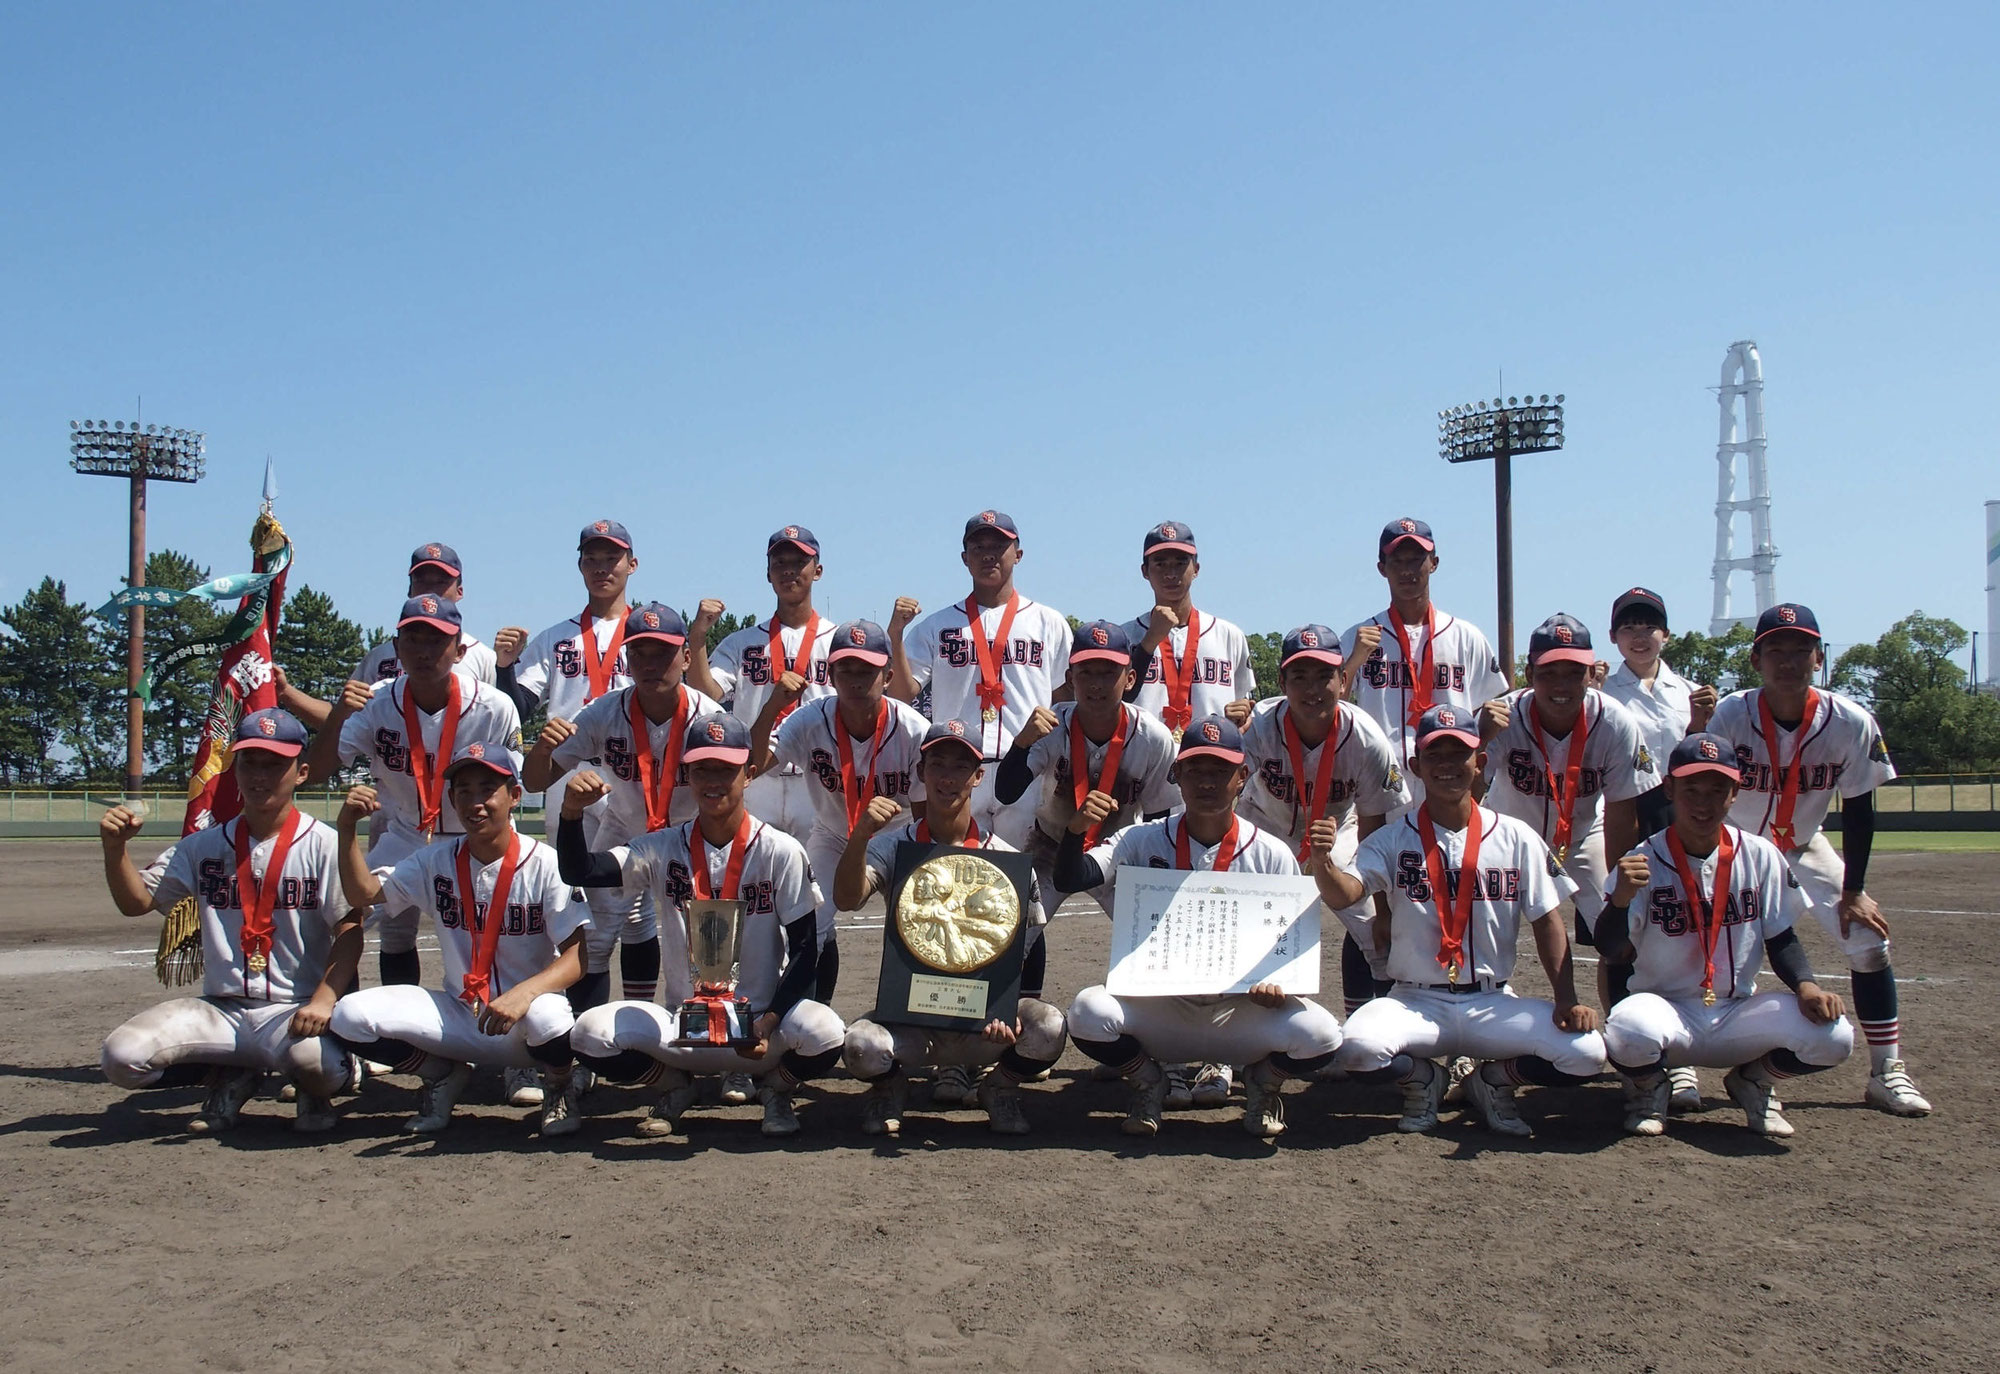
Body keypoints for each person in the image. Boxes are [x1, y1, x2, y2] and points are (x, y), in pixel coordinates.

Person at [1317, 705, 1606, 1139]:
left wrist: (1566, 998)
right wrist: (1322, 862)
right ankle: (1424, 1080)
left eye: (1460, 755)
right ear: (1416, 766)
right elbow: (1346, 893)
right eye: (1435, 756)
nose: (1447, 766)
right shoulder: (1392, 838)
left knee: (1586, 1053)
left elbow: (1548, 921)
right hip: (1415, 1000)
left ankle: (1492, 1081)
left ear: (1481, 761)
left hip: (1493, 1001)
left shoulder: (1516, 836)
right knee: (1358, 1048)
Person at [1055, 715, 1344, 1140]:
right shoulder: (1141, 839)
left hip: (1239, 1014)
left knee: (1322, 1035)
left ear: (1243, 777)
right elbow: (1071, 878)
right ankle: (1148, 1081)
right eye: (1195, 770)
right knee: (1087, 1012)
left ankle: (1263, 1082)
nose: (1207, 782)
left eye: (1220, 771)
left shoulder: (1271, 853)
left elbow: (1288, 948)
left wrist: (1278, 986)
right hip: (1162, 1011)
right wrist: (1073, 832)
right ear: (1176, 775)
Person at [559, 714, 845, 1141]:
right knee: (588, 1034)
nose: (714, 780)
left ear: (749, 774)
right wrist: (569, 814)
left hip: (759, 1028)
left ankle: (776, 1089)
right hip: (684, 1025)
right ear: (685, 774)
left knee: (827, 1033)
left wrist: (766, 1025)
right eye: (702, 769)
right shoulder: (661, 846)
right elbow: (580, 869)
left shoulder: (781, 851)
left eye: (726, 769)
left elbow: (807, 949)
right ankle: (673, 1086)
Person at [1705, 603, 1930, 1116]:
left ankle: (1886, 1071)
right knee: (1703, 954)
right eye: (1776, 650)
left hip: (1804, 845)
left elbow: (1860, 809)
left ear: (1818, 658)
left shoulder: (1850, 720)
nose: (1788, 661)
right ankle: (1680, 1068)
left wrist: (1854, 890)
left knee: (1869, 940)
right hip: (1734, 848)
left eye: (1800, 650)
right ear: (1757, 658)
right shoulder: (1733, 714)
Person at [96, 708, 360, 1134]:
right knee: (121, 1058)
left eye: (275, 764)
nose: (260, 775)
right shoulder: (202, 846)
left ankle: (317, 1084)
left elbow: (349, 930)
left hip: (292, 1010)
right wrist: (115, 851)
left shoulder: (325, 845)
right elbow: (138, 902)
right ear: (233, 768)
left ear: (302, 772)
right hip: (222, 1009)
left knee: (321, 1068)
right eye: (249, 762)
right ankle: (231, 1073)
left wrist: (324, 1001)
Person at [1596, 733, 1855, 1137]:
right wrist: (1620, 902)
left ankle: (1752, 1080)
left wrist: (1807, 987)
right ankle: (1650, 1088)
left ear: (1735, 792)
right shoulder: (1642, 860)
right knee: (1627, 1029)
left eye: (1717, 790)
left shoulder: (1759, 854)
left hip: (1737, 1011)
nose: (1703, 802)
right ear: (1669, 789)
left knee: (1834, 1035)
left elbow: (1780, 937)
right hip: (1666, 1012)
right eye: (1691, 790)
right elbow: (1611, 951)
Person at [329, 744, 587, 1137]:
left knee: (550, 1017)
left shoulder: (545, 863)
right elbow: (364, 895)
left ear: (514, 796)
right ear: (450, 799)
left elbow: (576, 957)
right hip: (458, 1013)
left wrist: (524, 994)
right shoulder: (435, 859)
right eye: (463, 791)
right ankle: (440, 1075)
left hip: (524, 1023)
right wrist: (347, 829)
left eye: (487, 789)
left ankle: (558, 1084)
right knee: (349, 1016)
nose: (475, 802)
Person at [835, 720, 1068, 1137]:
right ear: (920, 772)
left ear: (979, 776)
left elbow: (1029, 945)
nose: (947, 777)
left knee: (1049, 1028)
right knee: (860, 1046)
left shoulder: (1005, 859)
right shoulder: (894, 846)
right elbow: (846, 899)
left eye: (961, 767)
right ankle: (890, 1089)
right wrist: (860, 837)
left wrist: (1007, 1009)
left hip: (981, 1019)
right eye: (937, 764)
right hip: (914, 1018)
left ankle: (999, 1087)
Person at [492, 519, 658, 1070]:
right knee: (583, 913)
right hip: (569, 775)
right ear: (580, 564)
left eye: (614, 557)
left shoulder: (651, 632)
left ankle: (637, 1024)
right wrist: (505, 667)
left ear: (632, 564)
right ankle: (589, 1036)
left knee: (640, 914)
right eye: (593, 556)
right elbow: (516, 704)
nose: (603, 565)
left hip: (635, 778)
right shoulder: (558, 636)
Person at [302, 595, 523, 995]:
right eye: (413, 640)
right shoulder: (377, 701)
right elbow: (315, 771)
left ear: (459, 650)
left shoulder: (494, 706)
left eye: (436, 641)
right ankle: (340, 1020)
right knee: (341, 914)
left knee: (511, 931)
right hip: (405, 834)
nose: (424, 652)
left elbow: (512, 789)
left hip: (476, 840)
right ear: (397, 647)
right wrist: (337, 714)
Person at [522, 602, 722, 1018]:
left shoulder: (708, 718)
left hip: (691, 836)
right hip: (623, 829)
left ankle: (696, 1032)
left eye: (662, 653)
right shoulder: (605, 710)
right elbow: (536, 781)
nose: (650, 665)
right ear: (627, 659)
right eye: (639, 654)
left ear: (686, 657)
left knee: (705, 946)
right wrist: (542, 747)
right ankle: (594, 1031)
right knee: (594, 937)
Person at [753, 619, 930, 1007]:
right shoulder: (809, 719)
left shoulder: (913, 729)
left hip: (901, 837)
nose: (855, 678)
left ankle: (917, 1021)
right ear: (830, 674)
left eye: (867, 670)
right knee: (810, 923)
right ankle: (811, 1017)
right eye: (845, 668)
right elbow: (751, 765)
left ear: (888, 676)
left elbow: (924, 814)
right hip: (834, 834)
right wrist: (771, 707)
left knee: (919, 931)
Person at [1236, 625, 1409, 1019]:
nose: (1312, 688)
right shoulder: (1260, 726)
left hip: (1338, 831)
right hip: (1264, 826)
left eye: (1324, 675)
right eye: (1299, 676)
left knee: (1376, 933)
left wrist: (1383, 909)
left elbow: (1374, 827)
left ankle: (1378, 1028)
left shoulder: (1366, 738)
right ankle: (1232, 1039)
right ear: (1281, 681)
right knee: (1243, 929)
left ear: (1343, 679)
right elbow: (1222, 792)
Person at [1479, 613, 1657, 983]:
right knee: (1480, 933)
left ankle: (1626, 1025)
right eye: (1549, 673)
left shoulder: (1614, 722)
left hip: (1582, 837)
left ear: (1591, 675)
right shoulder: (1504, 717)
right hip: (1507, 841)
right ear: (1529, 674)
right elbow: (1463, 792)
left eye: (1574, 673)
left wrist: (1617, 892)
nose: (1562, 685)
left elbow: (1622, 815)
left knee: (1625, 938)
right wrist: (1477, 740)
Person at [1594, 586, 1717, 1112]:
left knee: (1678, 930)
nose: (1639, 635)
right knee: (1616, 933)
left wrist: (1702, 724)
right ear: (1614, 636)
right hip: (1617, 814)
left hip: (1674, 816)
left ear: (1666, 633)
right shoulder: (1601, 689)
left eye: (1649, 625)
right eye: (1629, 626)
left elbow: (1699, 758)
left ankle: (1678, 1051)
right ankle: (1628, 1045)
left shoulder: (1686, 691)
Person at [888, 510, 1070, 842]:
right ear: (964, 558)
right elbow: (902, 692)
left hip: (1025, 766)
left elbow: (1064, 700)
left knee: (1020, 874)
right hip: (959, 768)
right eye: (978, 547)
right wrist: (896, 636)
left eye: (999, 545)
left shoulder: (1049, 622)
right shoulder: (937, 625)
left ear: (1018, 554)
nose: (988, 554)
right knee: (958, 874)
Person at [1339, 518, 1511, 808]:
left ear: (1434, 563)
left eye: (1417, 559)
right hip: (1380, 782)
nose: (1407, 570)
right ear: (1382, 568)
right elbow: (1333, 711)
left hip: (1448, 780)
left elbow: (1494, 711)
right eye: (1397, 561)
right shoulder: (1359, 637)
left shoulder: (1465, 636)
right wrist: (1354, 662)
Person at [686, 525, 837, 844]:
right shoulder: (741, 642)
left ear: (818, 570)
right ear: (768, 574)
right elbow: (705, 694)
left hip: (816, 778)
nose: (788, 571)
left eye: (798, 562)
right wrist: (697, 639)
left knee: (817, 889)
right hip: (757, 779)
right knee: (754, 881)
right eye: (779, 563)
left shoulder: (838, 641)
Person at [275, 540, 498, 728]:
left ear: (460, 591)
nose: (430, 589)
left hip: (459, 776)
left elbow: (500, 728)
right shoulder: (379, 657)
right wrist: (286, 692)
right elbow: (342, 721)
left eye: (441, 581)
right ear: (409, 589)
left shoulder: (482, 657)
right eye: (421, 580)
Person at [1118, 522, 1256, 732]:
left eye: (1180, 563)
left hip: (1209, 757)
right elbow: (1114, 701)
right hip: (1145, 760)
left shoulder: (1229, 635)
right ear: (1145, 571)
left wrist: (1243, 715)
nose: (1171, 573)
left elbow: (1245, 709)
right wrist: (1150, 640)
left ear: (1196, 569)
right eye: (1160, 563)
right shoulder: (1124, 636)